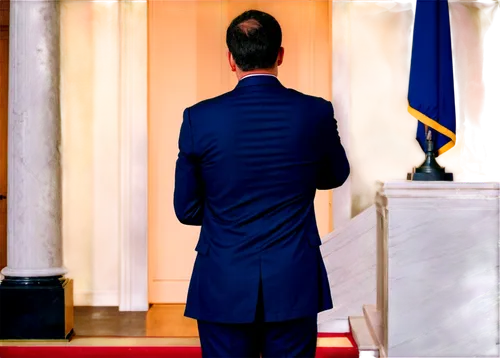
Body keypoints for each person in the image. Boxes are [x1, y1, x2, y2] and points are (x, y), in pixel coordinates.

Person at [174, 9, 350, 358]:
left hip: (222, 278)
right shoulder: (315, 112)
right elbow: (336, 175)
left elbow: (187, 209)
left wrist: (226, 213)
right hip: (293, 277)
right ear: (280, 54)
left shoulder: (199, 118)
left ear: (230, 59)